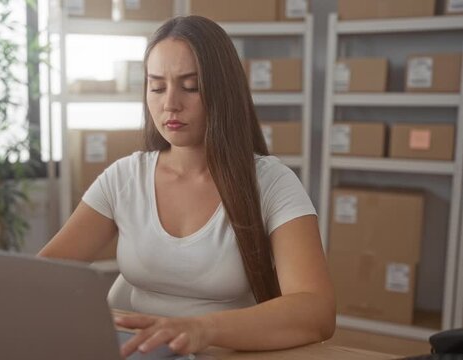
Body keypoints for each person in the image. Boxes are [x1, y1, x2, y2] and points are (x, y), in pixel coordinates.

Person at [39, 15, 335, 357]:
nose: (170, 104)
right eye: (157, 86)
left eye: (190, 86)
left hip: (224, 351)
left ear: (223, 90)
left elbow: (317, 311)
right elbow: (41, 274)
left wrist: (200, 330)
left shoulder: (271, 183)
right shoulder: (124, 178)